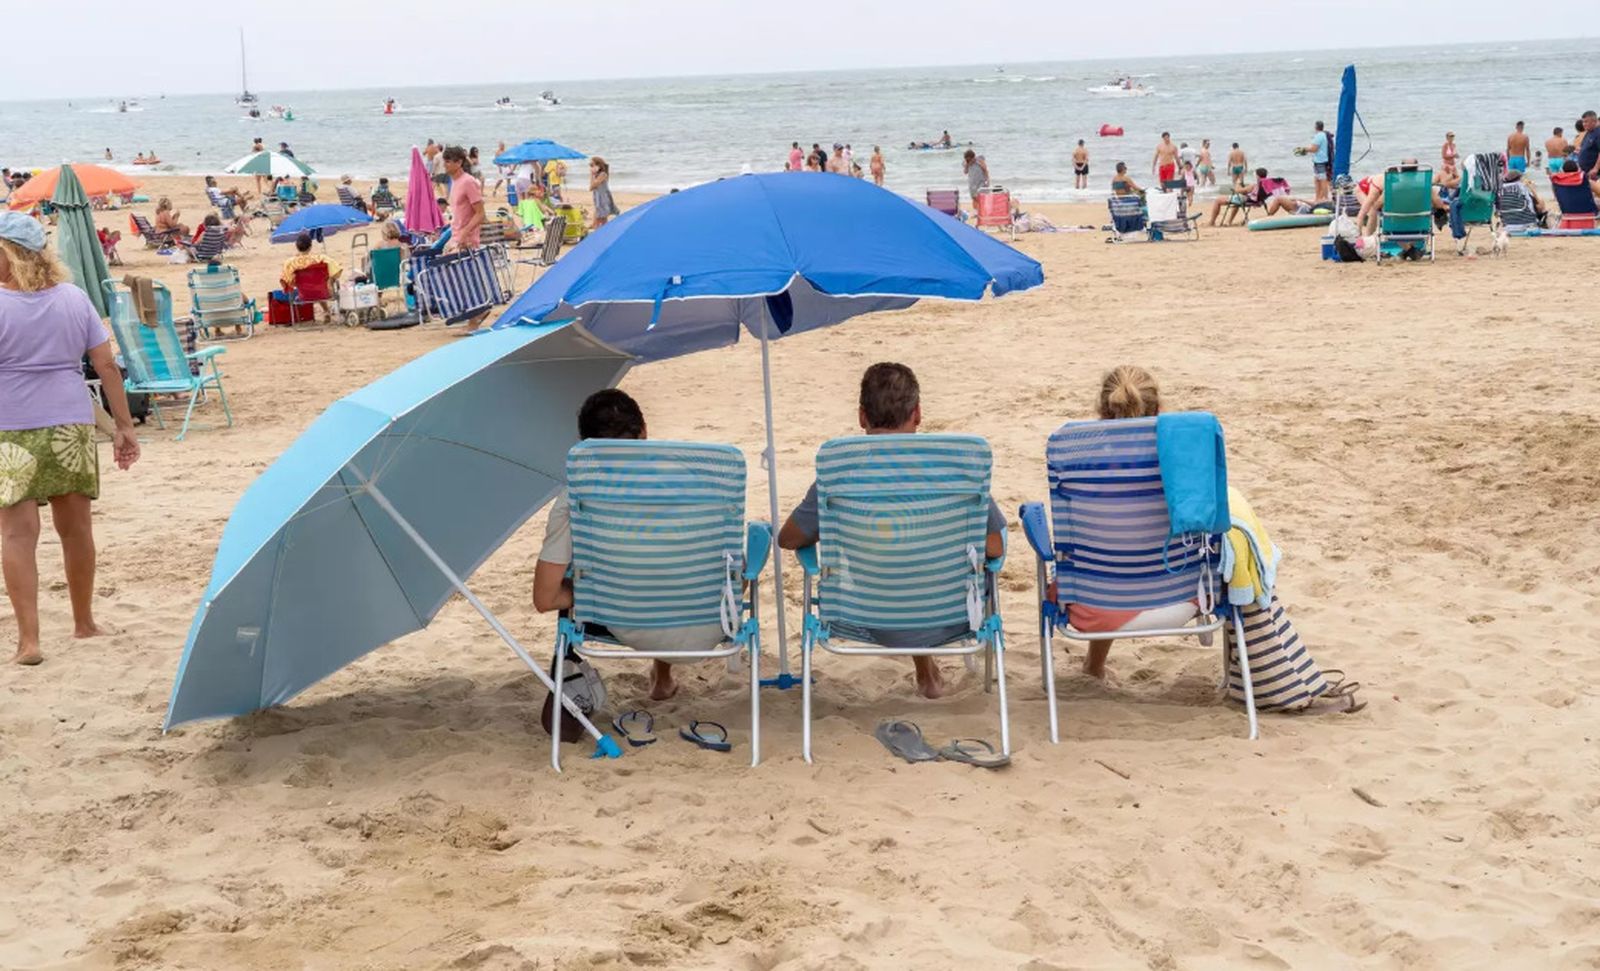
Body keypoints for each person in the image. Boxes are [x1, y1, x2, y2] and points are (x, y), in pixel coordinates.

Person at [777, 362, 1006, 700]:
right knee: (916, 550)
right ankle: (927, 672)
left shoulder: (841, 474)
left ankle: (926, 670)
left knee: (891, 545)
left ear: (862, 417)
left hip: (868, 617)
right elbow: (995, 548)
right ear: (917, 414)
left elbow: (788, 539)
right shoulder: (953, 470)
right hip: (949, 618)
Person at [0, 212, 141, 666]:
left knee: (17, 535)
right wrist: (123, 426)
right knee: (76, 530)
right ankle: (84, 623)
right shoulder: (74, 298)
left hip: (10, 427)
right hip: (70, 424)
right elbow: (106, 366)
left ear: (9, 253)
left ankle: (29, 641)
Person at [533, 389, 716, 707]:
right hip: (707, 624)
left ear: (586, 445)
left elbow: (544, 598)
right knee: (683, 560)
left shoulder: (576, 499)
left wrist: (595, 589)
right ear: (643, 431)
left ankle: (661, 672)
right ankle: (662, 677)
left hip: (626, 621)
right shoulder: (695, 482)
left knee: (630, 567)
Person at [279, 231, 342, 320]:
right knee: (318, 284)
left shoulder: (291, 263)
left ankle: (324, 311)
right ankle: (326, 311)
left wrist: (294, 283)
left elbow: (285, 279)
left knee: (309, 285)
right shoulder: (321, 258)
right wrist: (330, 281)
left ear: (297, 247)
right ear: (310, 246)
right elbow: (336, 270)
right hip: (323, 293)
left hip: (304, 295)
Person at [1299, 121, 1332, 202]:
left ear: (1316, 127)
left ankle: (1325, 198)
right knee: (1317, 179)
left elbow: (1314, 149)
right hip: (1322, 160)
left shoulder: (1318, 136)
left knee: (1322, 180)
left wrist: (1304, 149)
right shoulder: (1323, 135)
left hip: (1320, 161)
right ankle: (1318, 198)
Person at [588, 156, 619, 229]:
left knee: (602, 219)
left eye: (592, 165)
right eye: (590, 165)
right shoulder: (596, 175)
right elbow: (591, 188)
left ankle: (603, 231)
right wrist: (593, 175)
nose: (591, 167)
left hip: (603, 199)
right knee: (600, 220)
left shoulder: (603, 174)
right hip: (598, 199)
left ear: (598, 165)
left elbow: (593, 186)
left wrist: (592, 175)